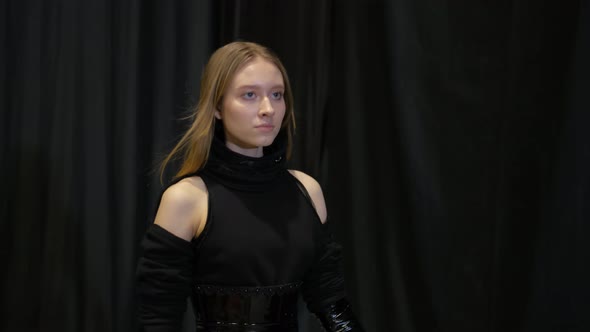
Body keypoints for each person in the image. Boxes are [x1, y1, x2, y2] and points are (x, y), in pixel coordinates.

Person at [136, 41, 364, 332]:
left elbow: (333, 305)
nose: (268, 109)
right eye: (249, 95)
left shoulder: (307, 190)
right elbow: (158, 319)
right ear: (217, 106)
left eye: (277, 94)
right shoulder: (187, 198)